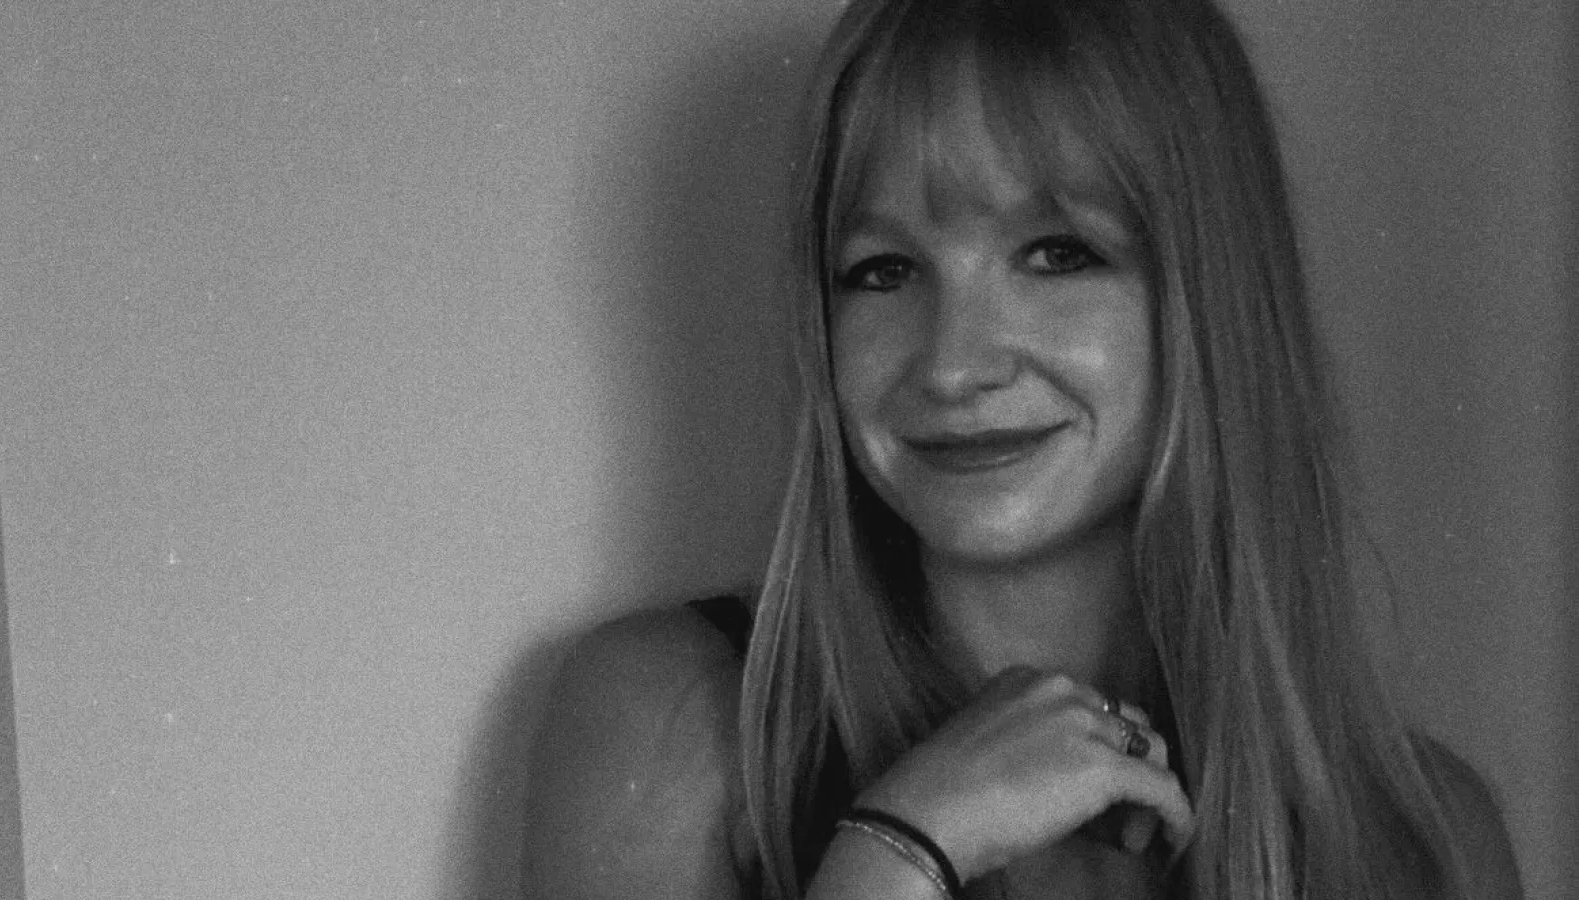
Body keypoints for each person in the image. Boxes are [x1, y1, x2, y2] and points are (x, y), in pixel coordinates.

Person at [524, 0, 1525, 897]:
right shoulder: (672, 721)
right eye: (881, 271)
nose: (952, 366)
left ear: (1207, 300)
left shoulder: (1425, 839)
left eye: (1057, 254)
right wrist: (899, 850)